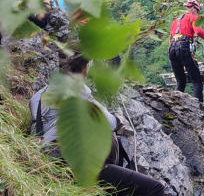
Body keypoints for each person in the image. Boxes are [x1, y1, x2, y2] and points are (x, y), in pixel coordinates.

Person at [29, 46, 164, 196]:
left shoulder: (38, 96)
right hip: (73, 166)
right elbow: (111, 123)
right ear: (86, 67)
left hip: (46, 162)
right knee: (156, 188)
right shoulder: (78, 91)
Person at [168, 0, 204, 102]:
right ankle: (198, 108)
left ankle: (174, 104)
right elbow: (199, 31)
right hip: (184, 47)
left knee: (180, 81)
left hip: (172, 50)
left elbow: (170, 39)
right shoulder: (193, 18)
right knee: (196, 80)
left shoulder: (175, 21)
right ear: (194, 9)